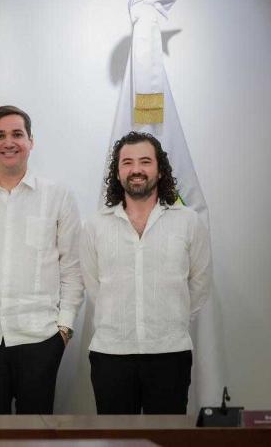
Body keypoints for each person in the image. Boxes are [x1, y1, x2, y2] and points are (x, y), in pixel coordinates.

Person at [0, 105, 84, 414]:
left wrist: (64, 328)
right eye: (0, 136)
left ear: (31, 141)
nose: (9, 142)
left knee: (36, 430)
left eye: (17, 134)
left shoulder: (58, 196)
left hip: (41, 337)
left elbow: (72, 268)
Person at [81, 131, 212, 414]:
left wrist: (172, 317)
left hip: (170, 353)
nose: (136, 169)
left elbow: (200, 283)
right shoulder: (95, 225)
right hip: (111, 354)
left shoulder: (188, 222)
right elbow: (94, 286)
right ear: (117, 172)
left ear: (160, 170)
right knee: (115, 436)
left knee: (166, 435)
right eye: (127, 162)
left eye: (145, 161)